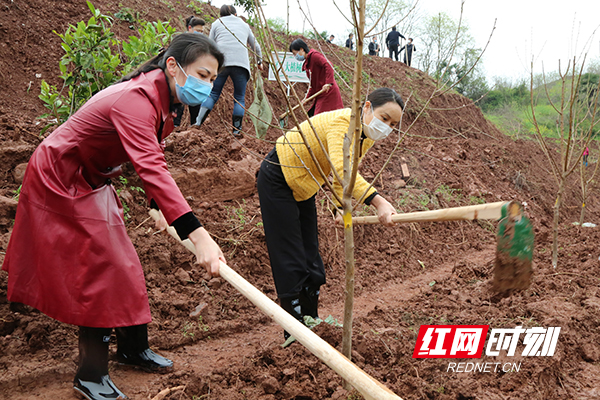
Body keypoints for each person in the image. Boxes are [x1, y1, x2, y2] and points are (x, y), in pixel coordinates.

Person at [2, 33, 227, 400]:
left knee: (123, 260)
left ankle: (132, 348)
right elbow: (152, 167)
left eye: (212, 79)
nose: (207, 85)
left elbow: (151, 155)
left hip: (93, 176)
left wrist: (157, 206)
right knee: (105, 267)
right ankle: (90, 376)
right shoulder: (135, 99)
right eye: (202, 75)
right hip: (60, 175)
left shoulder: (166, 102)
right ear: (173, 66)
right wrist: (198, 236)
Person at [256, 88, 404, 340]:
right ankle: (294, 330)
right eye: (384, 117)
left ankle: (311, 320)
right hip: (278, 176)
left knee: (311, 255)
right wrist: (378, 201)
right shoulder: (343, 124)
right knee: (289, 253)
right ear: (367, 107)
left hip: (305, 184)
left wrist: (339, 208)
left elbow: (343, 176)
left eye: (393, 124)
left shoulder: (364, 135)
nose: (387, 127)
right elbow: (342, 171)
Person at [196, 4, 263, 136]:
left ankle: (198, 122)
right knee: (239, 98)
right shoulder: (244, 25)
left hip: (222, 63)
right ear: (235, 14)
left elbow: (210, 45)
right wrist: (259, 61)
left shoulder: (217, 23)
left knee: (213, 94)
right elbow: (256, 46)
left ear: (221, 15)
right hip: (241, 64)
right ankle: (236, 130)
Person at [289, 39, 344, 117]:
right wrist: (306, 99)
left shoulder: (314, 56)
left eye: (295, 54)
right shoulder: (308, 63)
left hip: (329, 92)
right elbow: (313, 86)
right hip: (321, 94)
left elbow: (328, 65)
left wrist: (328, 83)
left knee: (321, 118)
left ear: (301, 49)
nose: (296, 57)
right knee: (314, 116)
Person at [173, 16, 208, 127]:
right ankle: (174, 128)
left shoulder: (202, 44)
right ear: (190, 28)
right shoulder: (181, 40)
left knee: (195, 103)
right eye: (198, 31)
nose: (200, 33)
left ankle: (194, 128)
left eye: (202, 32)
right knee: (179, 103)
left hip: (195, 77)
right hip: (182, 76)